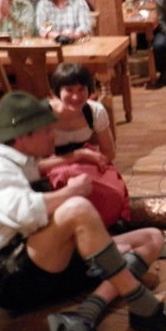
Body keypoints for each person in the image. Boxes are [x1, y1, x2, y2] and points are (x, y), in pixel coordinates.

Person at [0, 91, 166, 331]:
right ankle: (144, 308)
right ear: (22, 136)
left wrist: (76, 156)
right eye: (46, 131)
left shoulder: (20, 159)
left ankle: (84, 315)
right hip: (10, 279)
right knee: (77, 208)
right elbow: (26, 213)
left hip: (45, 262)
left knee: (151, 238)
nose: (54, 136)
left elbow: (38, 168)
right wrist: (71, 191)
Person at [38, 63, 131, 229]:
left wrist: (95, 161)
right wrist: (78, 155)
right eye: (69, 90)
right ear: (57, 91)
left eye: (81, 89)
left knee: (113, 192)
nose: (76, 96)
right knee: (71, 180)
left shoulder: (95, 111)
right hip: (53, 163)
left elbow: (109, 152)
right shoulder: (42, 115)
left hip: (87, 158)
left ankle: (99, 226)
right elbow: (34, 164)